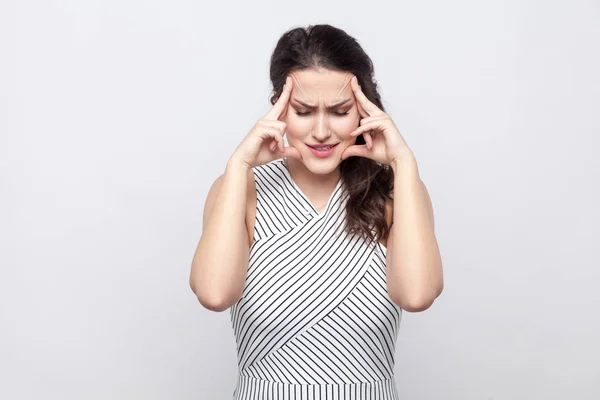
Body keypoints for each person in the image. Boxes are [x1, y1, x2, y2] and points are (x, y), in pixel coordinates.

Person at [190, 24, 444, 400]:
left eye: (340, 112)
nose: (322, 131)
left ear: (364, 110)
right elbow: (213, 294)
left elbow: (418, 295)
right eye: (304, 111)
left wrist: (403, 162)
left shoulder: (396, 192)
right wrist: (239, 164)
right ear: (278, 107)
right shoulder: (238, 189)